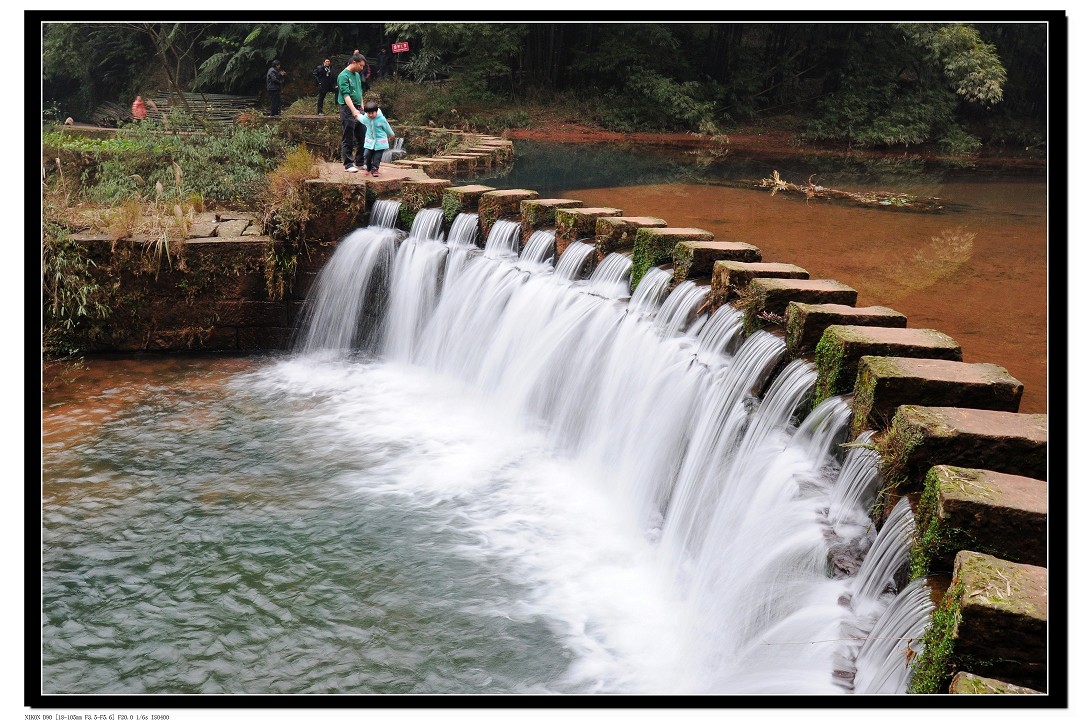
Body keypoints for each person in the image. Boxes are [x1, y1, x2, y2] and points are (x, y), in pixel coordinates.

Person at [337, 53, 368, 173]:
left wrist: (362, 108)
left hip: (359, 108)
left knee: (362, 135)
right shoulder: (343, 76)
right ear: (354, 62)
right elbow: (346, 95)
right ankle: (348, 164)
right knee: (348, 136)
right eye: (361, 65)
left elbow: (359, 93)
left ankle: (360, 161)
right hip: (347, 109)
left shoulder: (357, 75)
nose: (362, 68)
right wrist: (353, 110)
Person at [359, 100, 395, 177]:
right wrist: (356, 115)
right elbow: (361, 118)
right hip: (369, 142)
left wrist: (391, 134)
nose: (370, 115)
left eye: (372, 113)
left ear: (376, 111)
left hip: (380, 143)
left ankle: (375, 170)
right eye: (369, 113)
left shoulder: (381, 119)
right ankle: (368, 168)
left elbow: (387, 127)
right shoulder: (366, 118)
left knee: (377, 157)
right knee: (366, 154)